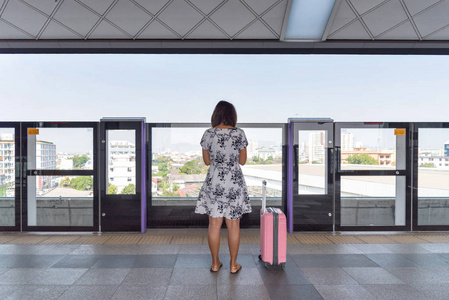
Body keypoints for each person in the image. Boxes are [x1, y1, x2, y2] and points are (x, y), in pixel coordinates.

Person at [195, 100, 251, 274]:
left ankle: (214, 263)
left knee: (214, 224)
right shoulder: (239, 134)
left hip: (215, 181)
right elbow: (242, 161)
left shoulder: (208, 134)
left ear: (216, 115)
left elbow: (206, 162)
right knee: (234, 225)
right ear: (232, 115)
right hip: (233, 181)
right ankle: (234, 264)